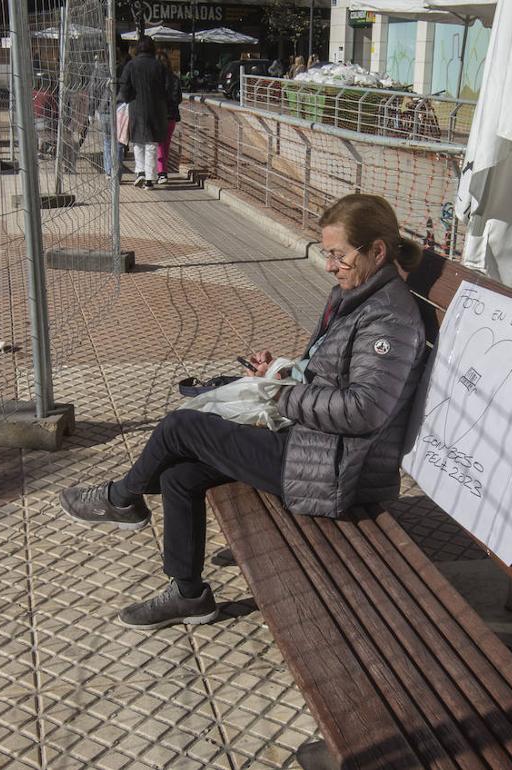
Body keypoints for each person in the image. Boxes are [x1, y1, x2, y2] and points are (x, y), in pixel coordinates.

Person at [59, 194, 428, 629]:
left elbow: (364, 410)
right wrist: (280, 372)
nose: (330, 266)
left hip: (336, 470)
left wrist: (281, 397)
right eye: (328, 254)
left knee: (182, 426)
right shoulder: (356, 295)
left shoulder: (389, 320)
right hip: (310, 442)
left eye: (339, 256)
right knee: (180, 475)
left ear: (377, 251)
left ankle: (122, 498)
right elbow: (330, 377)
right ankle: (189, 594)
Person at [119, 37, 170, 189]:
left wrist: (128, 99)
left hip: (136, 107)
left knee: (138, 142)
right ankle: (149, 178)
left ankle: (140, 171)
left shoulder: (131, 65)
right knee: (151, 144)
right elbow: (167, 87)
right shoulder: (159, 66)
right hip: (156, 109)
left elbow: (124, 87)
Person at [155, 51, 183, 185]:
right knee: (166, 144)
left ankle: (162, 172)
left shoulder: (156, 80)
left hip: (159, 115)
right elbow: (179, 98)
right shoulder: (175, 79)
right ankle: (163, 169)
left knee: (159, 144)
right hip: (171, 116)